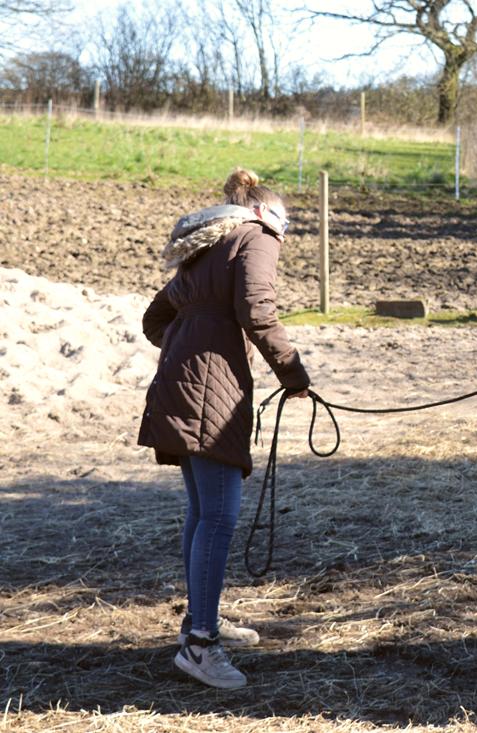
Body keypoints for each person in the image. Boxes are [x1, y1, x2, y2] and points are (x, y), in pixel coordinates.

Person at [138, 168, 311, 689]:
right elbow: (257, 310)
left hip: (178, 384)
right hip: (209, 391)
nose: (281, 241)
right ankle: (199, 646)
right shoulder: (255, 238)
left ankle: (201, 619)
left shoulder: (203, 247)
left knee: (202, 511)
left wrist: (191, 337)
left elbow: (153, 319)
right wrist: (294, 371)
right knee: (218, 516)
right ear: (268, 216)